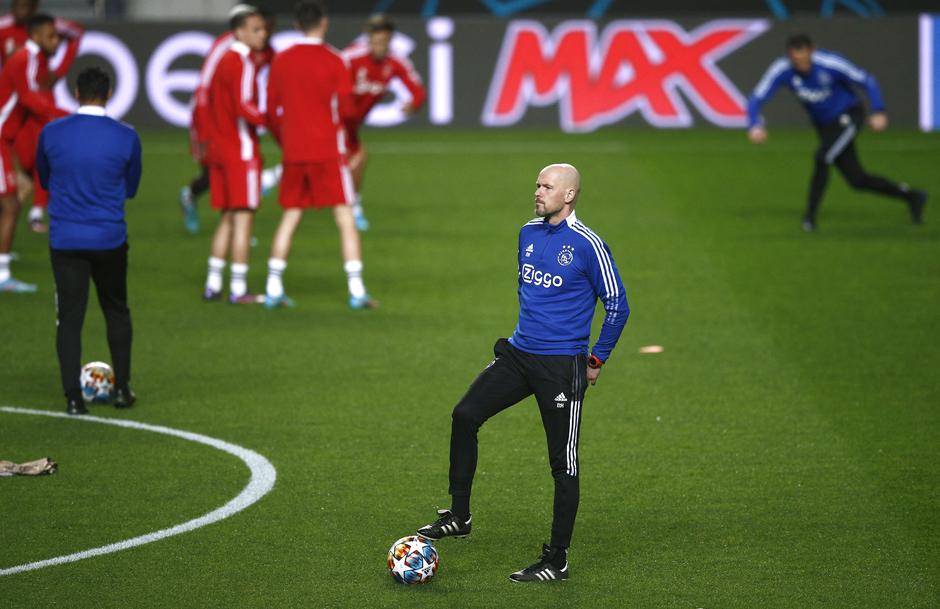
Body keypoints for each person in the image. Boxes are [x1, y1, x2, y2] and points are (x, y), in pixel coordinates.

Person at [416, 164, 629, 582]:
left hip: (560, 367)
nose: (538, 191)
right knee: (465, 415)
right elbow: (528, 295)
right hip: (518, 355)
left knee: (563, 464)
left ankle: (557, 559)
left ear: (568, 195)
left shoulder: (588, 244)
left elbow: (618, 305)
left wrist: (596, 360)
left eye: (547, 186)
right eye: (537, 184)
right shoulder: (527, 233)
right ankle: (459, 516)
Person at [37, 66, 141, 415]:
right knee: (116, 310)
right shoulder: (126, 137)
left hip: (66, 239)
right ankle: (123, 390)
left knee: (69, 318)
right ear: (109, 94)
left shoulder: (51, 133)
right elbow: (131, 188)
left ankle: (72, 399)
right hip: (109, 239)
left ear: (77, 93)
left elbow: (45, 178)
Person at [747, 34, 927, 232]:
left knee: (823, 157)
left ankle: (809, 218)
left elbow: (867, 80)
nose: (801, 66)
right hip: (825, 127)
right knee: (857, 180)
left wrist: (879, 110)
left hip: (848, 116)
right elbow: (756, 97)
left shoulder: (830, 63)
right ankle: (913, 196)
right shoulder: (782, 69)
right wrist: (755, 124)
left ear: (812, 51)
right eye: (796, 61)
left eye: (804, 59)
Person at [264, 0, 375, 310]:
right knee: (345, 216)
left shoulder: (282, 60)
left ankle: (273, 287)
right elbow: (348, 108)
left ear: (297, 25)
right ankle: (356, 290)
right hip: (328, 151)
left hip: (295, 151)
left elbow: (271, 110)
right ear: (323, 23)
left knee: (290, 216)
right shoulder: (335, 60)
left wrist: (285, 140)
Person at [180, 3, 280, 235]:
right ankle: (192, 197)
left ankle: (239, 224)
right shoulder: (227, 46)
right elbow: (204, 85)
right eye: (261, 28)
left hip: (239, 122)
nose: (265, 33)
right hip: (213, 116)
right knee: (214, 171)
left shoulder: (267, 51)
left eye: (268, 29)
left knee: (243, 165)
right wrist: (204, 129)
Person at [201, 6, 267, 304]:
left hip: (221, 150)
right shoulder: (242, 61)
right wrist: (272, 119)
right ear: (239, 32)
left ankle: (213, 284)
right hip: (241, 151)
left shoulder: (222, 61)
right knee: (243, 219)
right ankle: (238, 289)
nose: (262, 34)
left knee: (227, 218)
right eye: (256, 29)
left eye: (263, 29)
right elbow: (244, 105)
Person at [0, 0, 83, 233]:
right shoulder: (22, 52)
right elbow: (26, 96)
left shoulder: (46, 31)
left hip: (30, 109)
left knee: (39, 160)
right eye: (16, 4)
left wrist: (60, 71)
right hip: (19, 112)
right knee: (24, 172)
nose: (20, 10)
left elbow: (77, 32)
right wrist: (68, 116)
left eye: (26, 5)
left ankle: (36, 213)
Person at [0, 12, 67, 293]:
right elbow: (28, 98)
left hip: (5, 141)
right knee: (11, 205)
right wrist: (65, 116)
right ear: (37, 35)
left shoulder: (32, 60)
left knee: (15, 198)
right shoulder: (26, 58)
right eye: (51, 36)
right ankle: (2, 276)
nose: (56, 42)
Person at [342, 14, 426, 231]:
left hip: (351, 125)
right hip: (333, 119)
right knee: (358, 158)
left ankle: (271, 178)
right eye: (375, 41)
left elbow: (417, 89)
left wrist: (414, 104)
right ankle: (354, 209)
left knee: (326, 164)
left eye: (384, 42)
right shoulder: (351, 57)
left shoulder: (395, 62)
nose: (379, 47)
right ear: (368, 39)